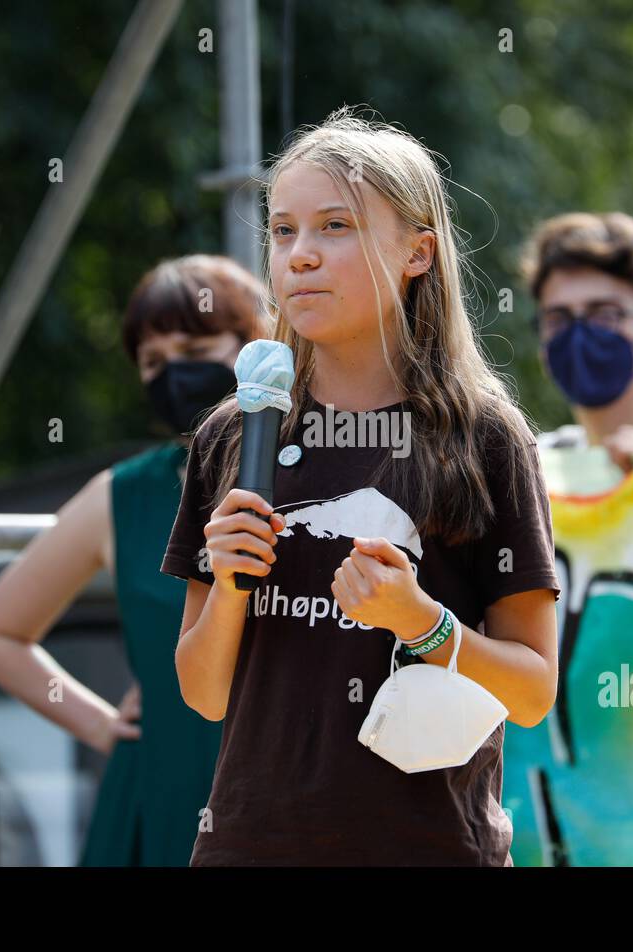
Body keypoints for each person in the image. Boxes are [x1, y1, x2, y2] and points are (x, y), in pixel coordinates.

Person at [160, 107, 561, 866]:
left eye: (334, 227)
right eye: (282, 232)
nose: (300, 256)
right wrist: (232, 588)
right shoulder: (233, 435)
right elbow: (205, 694)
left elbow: (534, 695)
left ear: (418, 252)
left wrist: (421, 622)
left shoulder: (484, 440)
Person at [0, 254, 266, 866]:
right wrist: (101, 724)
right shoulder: (120, 497)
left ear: (254, 345)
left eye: (195, 345)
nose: (172, 372)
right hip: (160, 795)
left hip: (290, 788)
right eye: (153, 361)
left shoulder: (321, 468)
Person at [520, 212, 633, 471]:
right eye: (558, 319)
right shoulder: (532, 471)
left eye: (605, 315)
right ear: (544, 353)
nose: (578, 334)